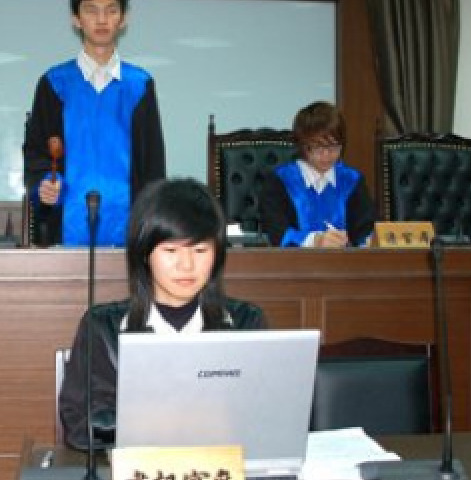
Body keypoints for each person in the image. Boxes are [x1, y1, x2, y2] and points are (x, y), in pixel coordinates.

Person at [58, 178, 268, 450]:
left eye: (200, 250)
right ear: (145, 254)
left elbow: (267, 415)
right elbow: (81, 425)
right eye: (171, 250)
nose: (187, 265)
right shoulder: (103, 327)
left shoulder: (245, 324)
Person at [23, 0, 166, 247]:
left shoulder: (139, 85)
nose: (101, 19)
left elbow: (152, 165)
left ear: (123, 19)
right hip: (65, 228)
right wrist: (45, 186)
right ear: (76, 19)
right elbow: (37, 154)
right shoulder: (54, 83)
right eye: (91, 10)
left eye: (111, 10)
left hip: (129, 231)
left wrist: (151, 229)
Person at [259, 101, 375, 247]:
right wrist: (315, 240)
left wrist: (363, 241)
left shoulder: (351, 180)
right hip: (294, 260)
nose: (326, 155)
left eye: (333, 146)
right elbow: (276, 232)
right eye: (318, 147)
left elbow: (365, 231)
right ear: (302, 146)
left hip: (344, 260)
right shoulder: (280, 181)